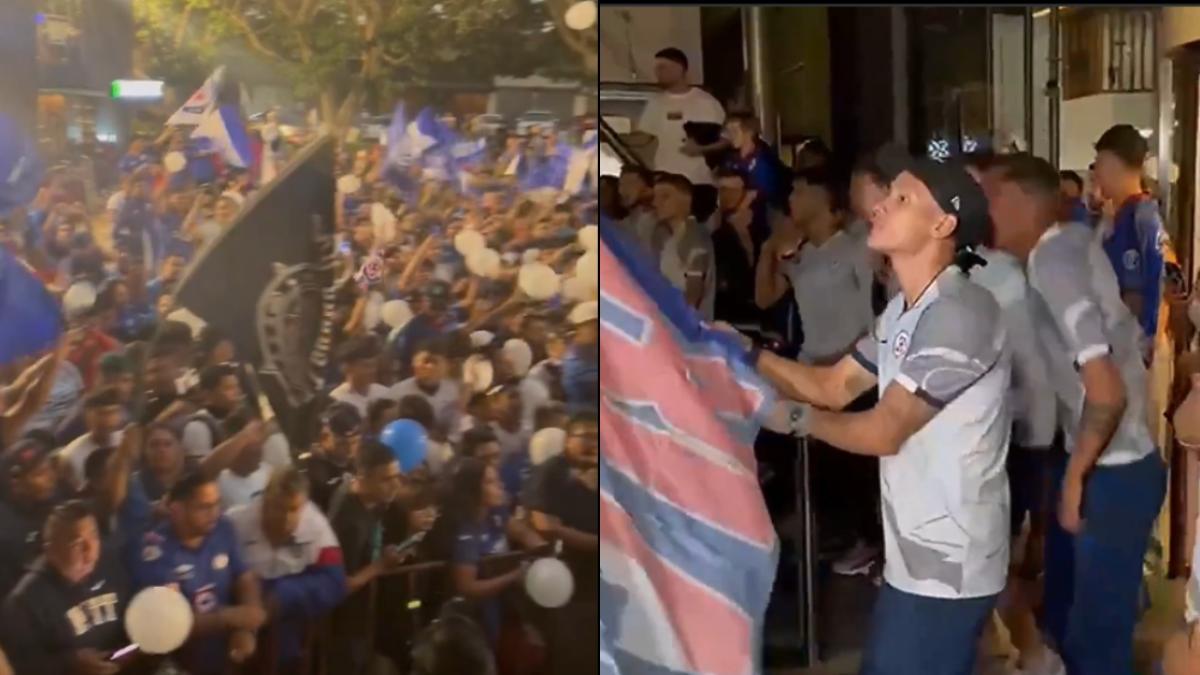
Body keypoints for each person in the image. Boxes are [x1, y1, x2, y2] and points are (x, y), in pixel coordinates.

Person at [748, 147, 1011, 674]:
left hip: (948, 566)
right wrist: (744, 353)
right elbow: (833, 386)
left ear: (943, 224)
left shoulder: (960, 313)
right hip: (916, 557)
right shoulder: (904, 312)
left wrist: (789, 419)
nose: (881, 206)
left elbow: (884, 430)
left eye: (902, 198)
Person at [982, 152, 1166, 674]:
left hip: (1113, 470)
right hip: (1097, 461)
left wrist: (1074, 478)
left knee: (1095, 646)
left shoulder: (1052, 261)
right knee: (1068, 626)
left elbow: (1105, 390)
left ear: (1020, 201)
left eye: (989, 196)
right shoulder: (1061, 248)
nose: (979, 208)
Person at [126, 472, 266, 675]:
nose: (214, 513)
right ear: (176, 510)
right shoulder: (154, 551)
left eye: (217, 504)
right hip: (177, 660)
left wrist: (246, 628)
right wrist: (230, 618)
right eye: (204, 507)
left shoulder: (223, 528)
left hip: (225, 652)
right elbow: (168, 625)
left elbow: (244, 576)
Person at [227, 467, 347, 672]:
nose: (286, 518)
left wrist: (284, 594)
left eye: (293, 509)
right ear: (265, 501)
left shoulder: (317, 527)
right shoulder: (234, 523)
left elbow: (334, 582)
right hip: (236, 629)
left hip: (288, 632)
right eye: (278, 508)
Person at [0, 500, 129, 675]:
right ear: (50, 550)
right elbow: (21, 666)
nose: (90, 552)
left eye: (94, 537)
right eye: (77, 544)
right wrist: (70, 663)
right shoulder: (23, 603)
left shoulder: (111, 566)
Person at [427, 457, 543, 644]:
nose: (500, 485)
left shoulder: (495, 512)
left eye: (497, 479)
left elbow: (522, 533)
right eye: (490, 482)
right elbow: (467, 587)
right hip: (474, 613)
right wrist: (515, 576)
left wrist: (544, 553)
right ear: (472, 489)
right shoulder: (464, 530)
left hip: (501, 603)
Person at [522, 411, 599, 675]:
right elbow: (543, 525)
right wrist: (594, 542)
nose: (593, 443)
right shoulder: (551, 471)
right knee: (570, 654)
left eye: (598, 437)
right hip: (565, 581)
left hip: (603, 582)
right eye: (585, 437)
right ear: (567, 440)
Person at [326, 440, 410, 675]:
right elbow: (341, 583)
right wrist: (381, 565)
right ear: (362, 477)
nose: (395, 485)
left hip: (363, 619)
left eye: (397, 476)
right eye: (386, 479)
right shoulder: (348, 521)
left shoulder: (364, 497)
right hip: (345, 627)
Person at [1092, 123, 1167, 351]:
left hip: (1128, 348)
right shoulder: (1124, 214)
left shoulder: (1138, 217)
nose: (1096, 172)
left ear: (1114, 163)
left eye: (1100, 164)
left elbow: (1134, 295)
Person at [632, 47, 727, 223]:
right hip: (664, 182)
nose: (658, 73)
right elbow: (644, 138)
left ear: (680, 68)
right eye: (656, 68)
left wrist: (700, 149)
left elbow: (727, 141)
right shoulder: (655, 104)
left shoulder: (705, 102)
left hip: (698, 182)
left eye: (663, 67)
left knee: (696, 232)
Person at [0, 435, 63, 600]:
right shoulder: (6, 530)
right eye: (40, 473)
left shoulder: (55, 493)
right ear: (17, 484)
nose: (51, 477)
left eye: (49, 467)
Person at [653, 173, 715, 319]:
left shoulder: (694, 236)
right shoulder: (671, 238)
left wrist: (682, 320)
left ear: (687, 199)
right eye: (655, 197)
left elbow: (694, 287)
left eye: (665, 196)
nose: (656, 203)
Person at [711, 167, 768, 328]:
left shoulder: (765, 228)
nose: (724, 196)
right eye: (721, 191)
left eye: (730, 190)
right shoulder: (716, 234)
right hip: (726, 317)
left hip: (761, 318)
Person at [299, 402, 364, 512]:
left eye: (354, 442)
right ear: (325, 437)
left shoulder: (360, 463)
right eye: (343, 443)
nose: (349, 449)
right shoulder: (310, 471)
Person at [723, 110, 791, 214]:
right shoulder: (731, 157)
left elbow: (752, 195)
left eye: (735, 131)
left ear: (749, 132)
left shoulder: (764, 159)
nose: (731, 136)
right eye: (728, 131)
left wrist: (733, 220)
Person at [388, 342, 462, 436]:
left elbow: (456, 431)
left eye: (435, 362)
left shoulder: (454, 391)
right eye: (425, 361)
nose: (429, 367)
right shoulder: (397, 393)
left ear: (447, 366)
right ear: (413, 364)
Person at [59, 387, 125, 490]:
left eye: (113, 412)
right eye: (103, 414)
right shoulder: (71, 455)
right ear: (88, 416)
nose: (108, 420)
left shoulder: (125, 441)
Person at [181, 363, 245, 460]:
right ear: (208, 396)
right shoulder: (198, 427)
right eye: (229, 388)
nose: (238, 393)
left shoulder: (238, 422)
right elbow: (200, 472)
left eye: (237, 387)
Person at [216, 410, 271, 512]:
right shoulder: (218, 483)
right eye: (254, 444)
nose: (259, 450)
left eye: (261, 442)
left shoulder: (269, 473)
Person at [329, 335, 390, 419]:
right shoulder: (337, 398)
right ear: (348, 367)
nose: (372, 370)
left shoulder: (384, 393)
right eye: (366, 366)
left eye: (374, 365)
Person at [616, 165, 659, 254]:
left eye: (630, 184)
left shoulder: (659, 219)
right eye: (621, 184)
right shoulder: (620, 225)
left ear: (648, 188)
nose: (623, 190)